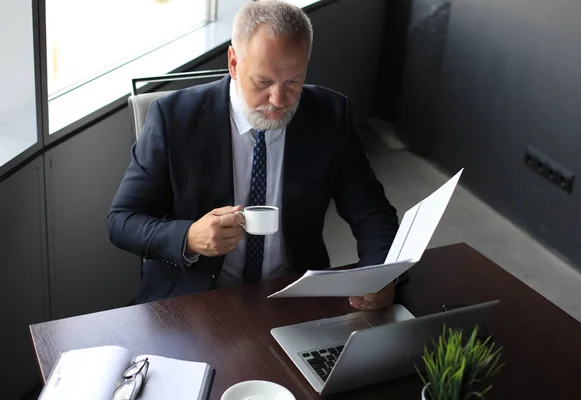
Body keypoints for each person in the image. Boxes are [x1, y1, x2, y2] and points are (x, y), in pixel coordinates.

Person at [108, 0, 399, 308]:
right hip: (194, 301)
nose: (277, 99)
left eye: (293, 81)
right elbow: (122, 221)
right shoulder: (174, 118)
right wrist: (190, 237)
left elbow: (373, 214)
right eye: (263, 82)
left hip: (292, 295)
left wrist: (379, 275)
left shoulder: (330, 115)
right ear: (234, 63)